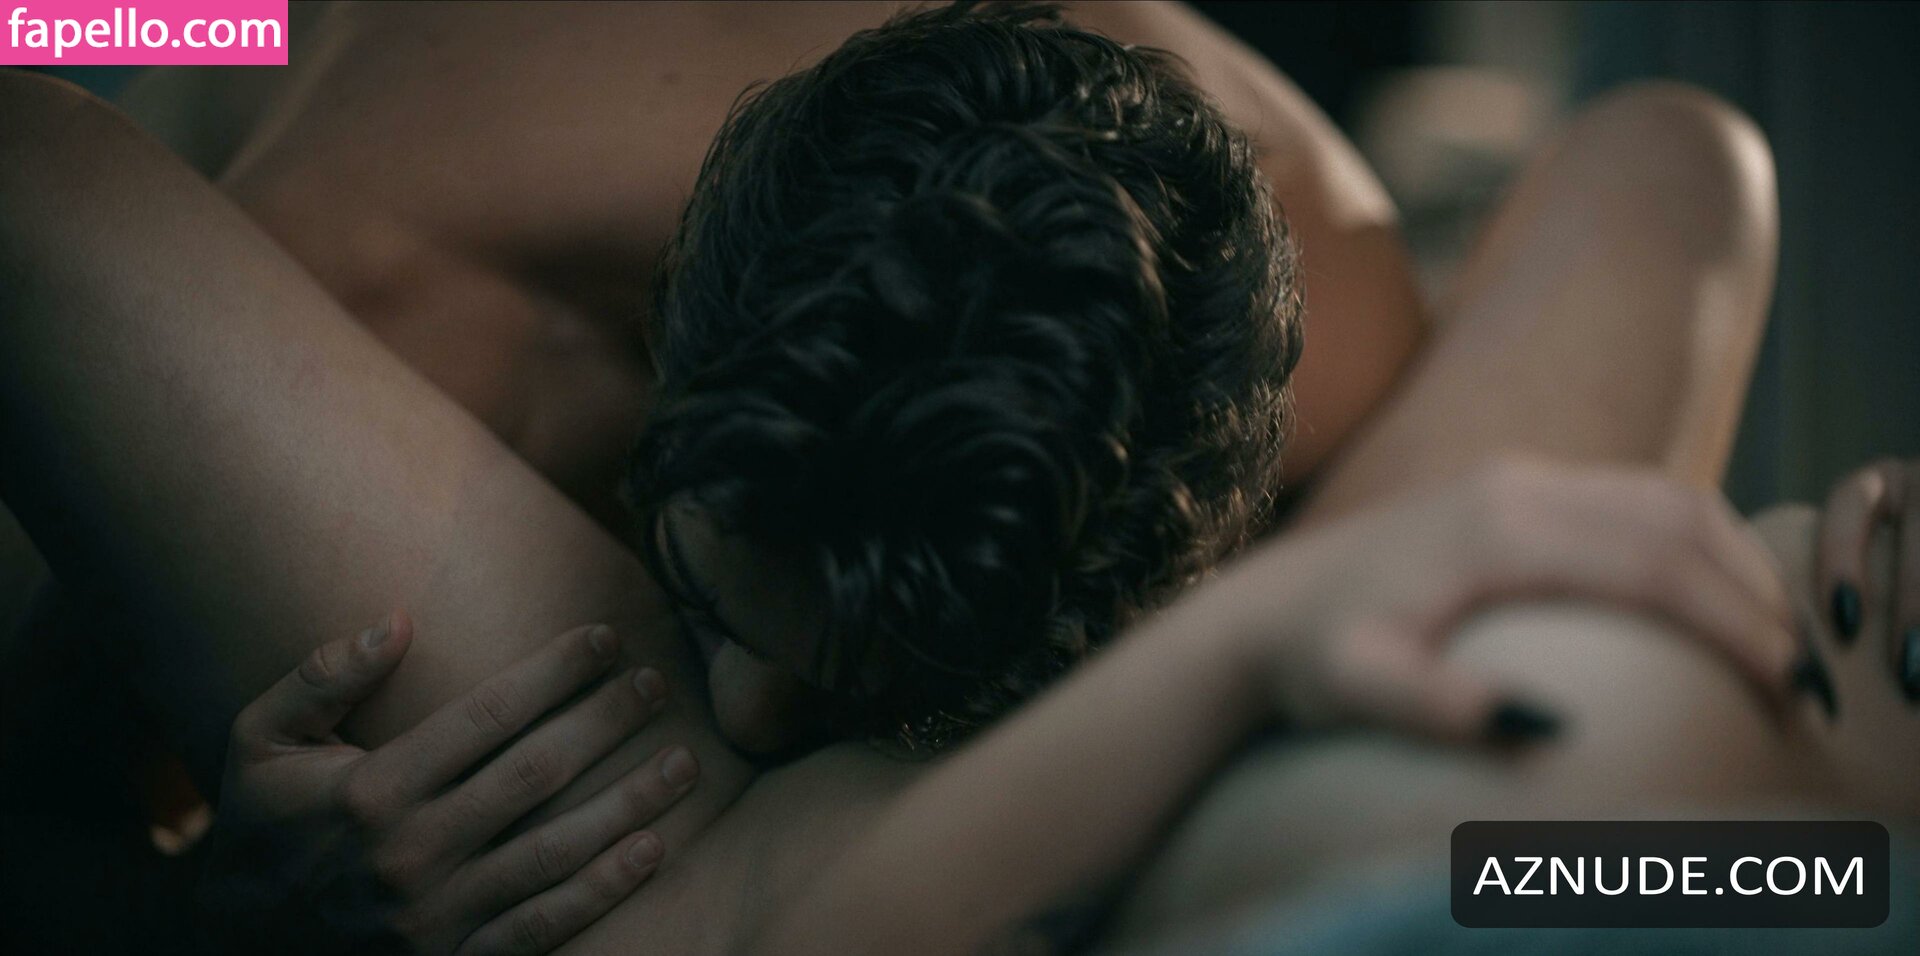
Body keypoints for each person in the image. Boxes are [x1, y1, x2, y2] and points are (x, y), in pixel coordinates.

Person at [5, 3, 1903, 954]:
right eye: (713, 603)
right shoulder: (383, 292)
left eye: (877, 693)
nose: (756, 719)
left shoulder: (1328, 314)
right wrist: (207, 909)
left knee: (1683, 154)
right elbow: (47, 820)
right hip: (263, 34)